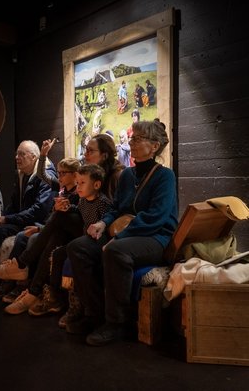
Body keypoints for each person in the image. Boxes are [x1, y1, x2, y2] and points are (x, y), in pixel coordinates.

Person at [66, 119, 178, 346]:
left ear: (154, 146)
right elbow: (117, 209)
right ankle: (95, 314)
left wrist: (119, 237)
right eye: (132, 137)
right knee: (78, 247)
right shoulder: (127, 175)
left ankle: (117, 324)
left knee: (116, 250)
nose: (132, 142)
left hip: (155, 237)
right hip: (124, 232)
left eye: (138, 138)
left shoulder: (164, 176)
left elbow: (156, 217)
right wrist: (103, 224)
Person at [0, 134, 124, 317]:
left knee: (56, 222)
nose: (85, 154)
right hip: (80, 226)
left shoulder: (115, 176)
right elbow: (79, 205)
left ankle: (22, 266)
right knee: (55, 235)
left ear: (105, 155)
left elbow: (114, 209)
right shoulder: (85, 178)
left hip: (99, 231)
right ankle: (33, 292)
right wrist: (66, 207)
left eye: (90, 151)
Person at [26, 163, 113, 317]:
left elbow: (107, 224)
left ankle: (82, 306)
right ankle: (56, 296)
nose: (78, 187)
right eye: (77, 183)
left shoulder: (103, 202)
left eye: (82, 183)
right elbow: (78, 210)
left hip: (97, 242)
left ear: (97, 184)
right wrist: (67, 207)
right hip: (83, 239)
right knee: (58, 253)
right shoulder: (83, 200)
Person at [0, 140, 56, 287]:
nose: (17, 157)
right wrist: (1, 217)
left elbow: (39, 211)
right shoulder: (22, 174)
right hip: (22, 220)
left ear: (34, 157)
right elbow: (14, 204)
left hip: (36, 222)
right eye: (16, 154)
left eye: (21, 154)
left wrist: (8, 219)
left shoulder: (46, 176)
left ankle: (1, 281)